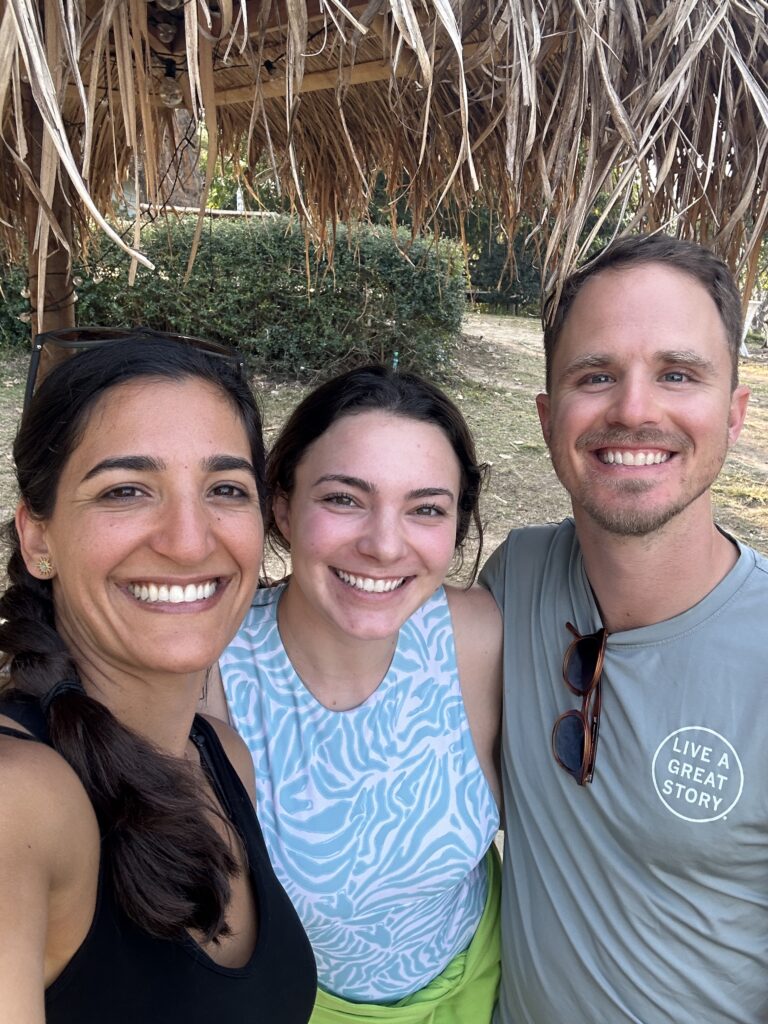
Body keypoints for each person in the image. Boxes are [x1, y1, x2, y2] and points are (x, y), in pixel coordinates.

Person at [480, 234, 768, 1023]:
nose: (635, 408)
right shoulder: (517, 578)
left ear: (734, 413)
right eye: (596, 375)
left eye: (678, 374)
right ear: (547, 418)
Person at [0, 332, 316, 1023]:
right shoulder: (16, 801)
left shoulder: (222, 758)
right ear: (39, 539)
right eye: (126, 490)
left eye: (225, 489)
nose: (188, 539)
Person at [212, 365, 503, 1023]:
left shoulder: (475, 636)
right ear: (282, 504)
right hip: (301, 1004)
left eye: (426, 508)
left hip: (482, 984)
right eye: (344, 498)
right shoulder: (215, 671)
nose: (383, 544)